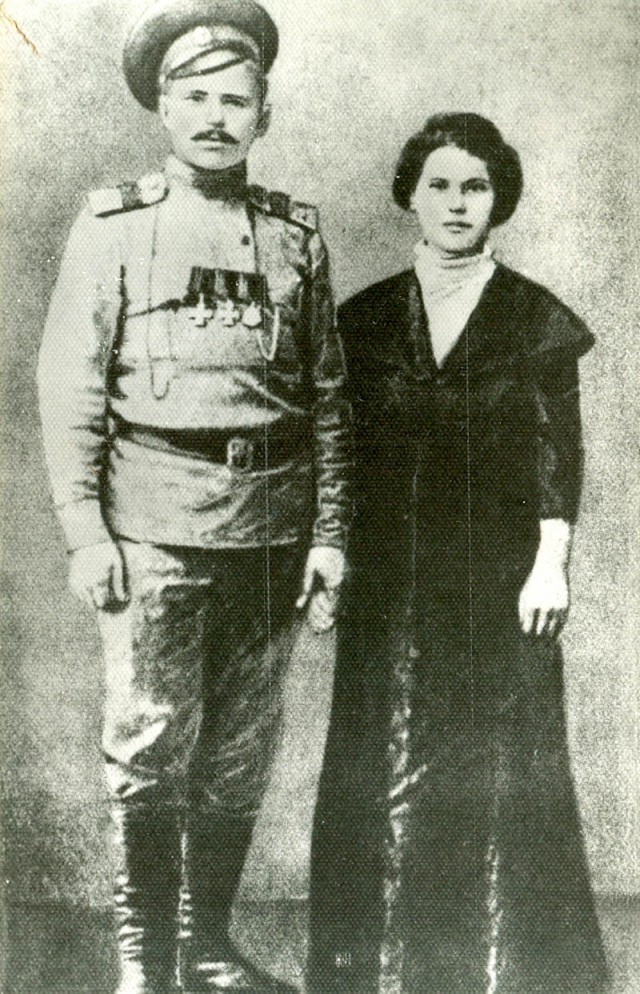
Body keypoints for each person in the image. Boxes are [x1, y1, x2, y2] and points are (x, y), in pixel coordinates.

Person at [37, 1, 351, 991]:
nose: (217, 117)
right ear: (164, 108)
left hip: (272, 530)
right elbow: (72, 390)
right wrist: (86, 533)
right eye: (197, 98)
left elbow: (330, 398)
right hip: (155, 529)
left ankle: (206, 945)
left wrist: (330, 534)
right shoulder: (115, 226)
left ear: (264, 114)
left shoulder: (295, 237)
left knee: (239, 752)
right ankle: (145, 959)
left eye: (236, 100)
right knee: (149, 745)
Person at [307, 113, 609, 994]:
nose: (455, 203)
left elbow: (558, 448)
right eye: (438, 184)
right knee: (383, 765)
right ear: (410, 193)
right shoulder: (362, 320)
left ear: (497, 198)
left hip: (497, 582)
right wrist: (327, 554)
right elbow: (333, 449)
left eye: (474, 186)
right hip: (387, 580)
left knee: (499, 773)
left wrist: (552, 560)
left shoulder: (535, 319)